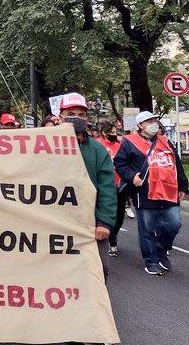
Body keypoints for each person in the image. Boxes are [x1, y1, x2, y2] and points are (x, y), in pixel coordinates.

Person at [113, 111, 188, 276]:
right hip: (145, 193)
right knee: (147, 228)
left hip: (169, 191)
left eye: (155, 120)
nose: (154, 123)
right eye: (149, 121)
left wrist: (183, 186)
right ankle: (151, 260)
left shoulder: (166, 142)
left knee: (174, 224)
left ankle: (162, 250)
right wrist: (132, 176)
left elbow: (177, 164)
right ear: (140, 125)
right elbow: (119, 163)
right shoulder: (129, 142)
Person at [61, 100, 117, 270]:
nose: (76, 118)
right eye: (70, 114)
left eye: (81, 115)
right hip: (56, 222)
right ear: (60, 117)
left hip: (91, 224)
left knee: (97, 270)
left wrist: (104, 222)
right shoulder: (43, 145)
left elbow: (107, 187)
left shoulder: (98, 150)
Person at [96, 121, 126, 258]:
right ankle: (111, 240)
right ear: (104, 133)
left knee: (119, 216)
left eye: (116, 132)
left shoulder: (119, 146)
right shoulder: (97, 145)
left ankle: (113, 233)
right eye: (112, 132)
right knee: (106, 212)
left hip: (119, 185)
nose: (114, 135)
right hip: (103, 186)